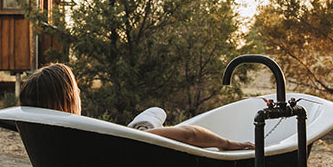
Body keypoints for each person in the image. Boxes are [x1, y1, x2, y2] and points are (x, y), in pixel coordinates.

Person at [19, 63, 254, 151]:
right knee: (152, 119)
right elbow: (190, 135)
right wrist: (228, 143)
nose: (80, 92)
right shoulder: (93, 141)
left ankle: (141, 128)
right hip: (132, 150)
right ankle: (141, 130)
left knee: (152, 118)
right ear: (69, 99)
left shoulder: (47, 143)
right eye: (76, 90)